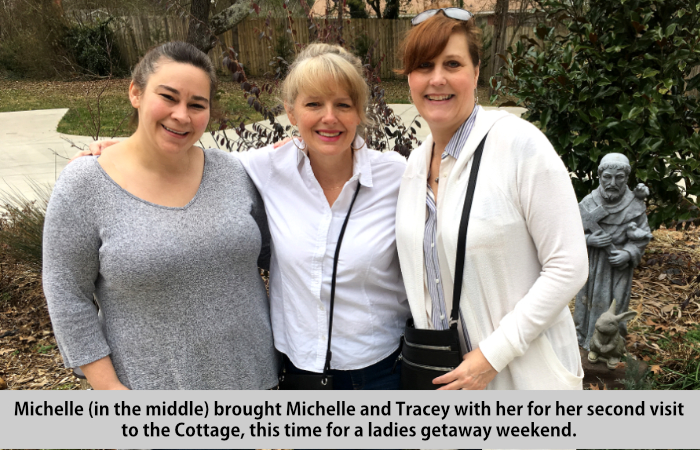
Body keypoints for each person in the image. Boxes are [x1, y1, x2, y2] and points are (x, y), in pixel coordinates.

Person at [77, 43, 411, 390]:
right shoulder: (263, 169)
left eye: (344, 104)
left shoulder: (398, 176)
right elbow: (189, 159)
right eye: (313, 104)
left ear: (359, 111)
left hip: (380, 370)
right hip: (299, 374)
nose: (330, 117)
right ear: (291, 112)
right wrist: (125, 149)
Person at [43, 42, 279, 390]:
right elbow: (66, 295)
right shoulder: (85, 185)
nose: (182, 115)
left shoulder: (233, 173)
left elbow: (277, 255)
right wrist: (109, 390)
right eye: (168, 97)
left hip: (258, 382)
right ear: (135, 93)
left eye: (197, 104)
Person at [394, 7, 589, 390]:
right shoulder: (415, 164)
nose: (436, 79)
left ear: (476, 71)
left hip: (522, 376)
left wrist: (492, 354)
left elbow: (569, 265)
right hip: (446, 379)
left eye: (452, 63)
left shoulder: (519, 145)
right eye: (423, 66)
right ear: (410, 78)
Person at [574, 153, 652, 350]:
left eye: (619, 178)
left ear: (627, 178)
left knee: (616, 305)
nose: (613, 182)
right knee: (587, 302)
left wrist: (628, 253)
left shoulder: (634, 205)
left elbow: (643, 235)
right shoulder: (588, 203)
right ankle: (585, 339)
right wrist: (589, 240)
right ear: (600, 176)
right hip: (592, 263)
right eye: (607, 177)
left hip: (618, 267)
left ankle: (612, 346)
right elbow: (569, 233)